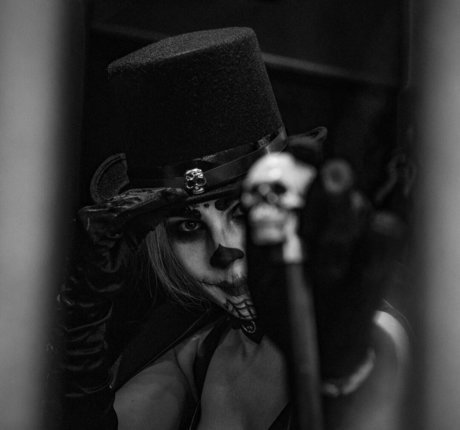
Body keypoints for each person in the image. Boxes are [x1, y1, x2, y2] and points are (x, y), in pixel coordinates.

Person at [57, 27, 408, 430]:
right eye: (190, 225)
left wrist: (336, 384)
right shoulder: (197, 352)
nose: (224, 252)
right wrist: (79, 333)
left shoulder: (373, 341)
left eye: (242, 211)